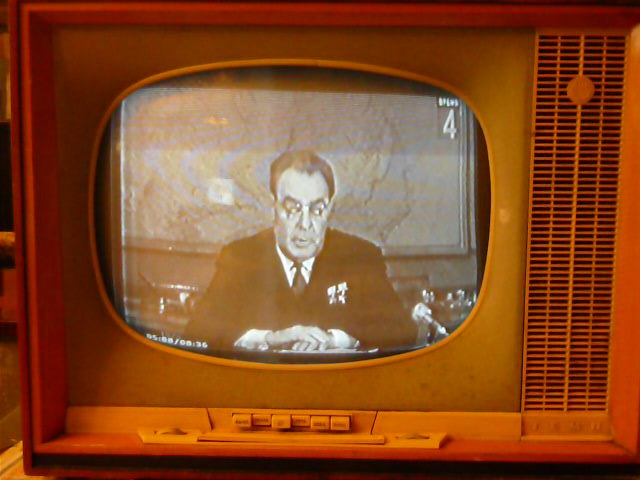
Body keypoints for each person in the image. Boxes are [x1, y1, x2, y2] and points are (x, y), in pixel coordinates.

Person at [184, 150, 418, 353]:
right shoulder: (240, 257)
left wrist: (336, 340)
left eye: (317, 210)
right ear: (274, 206)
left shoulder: (361, 257)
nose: (305, 224)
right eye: (293, 208)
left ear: (329, 209)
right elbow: (198, 333)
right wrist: (269, 338)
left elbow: (403, 332)